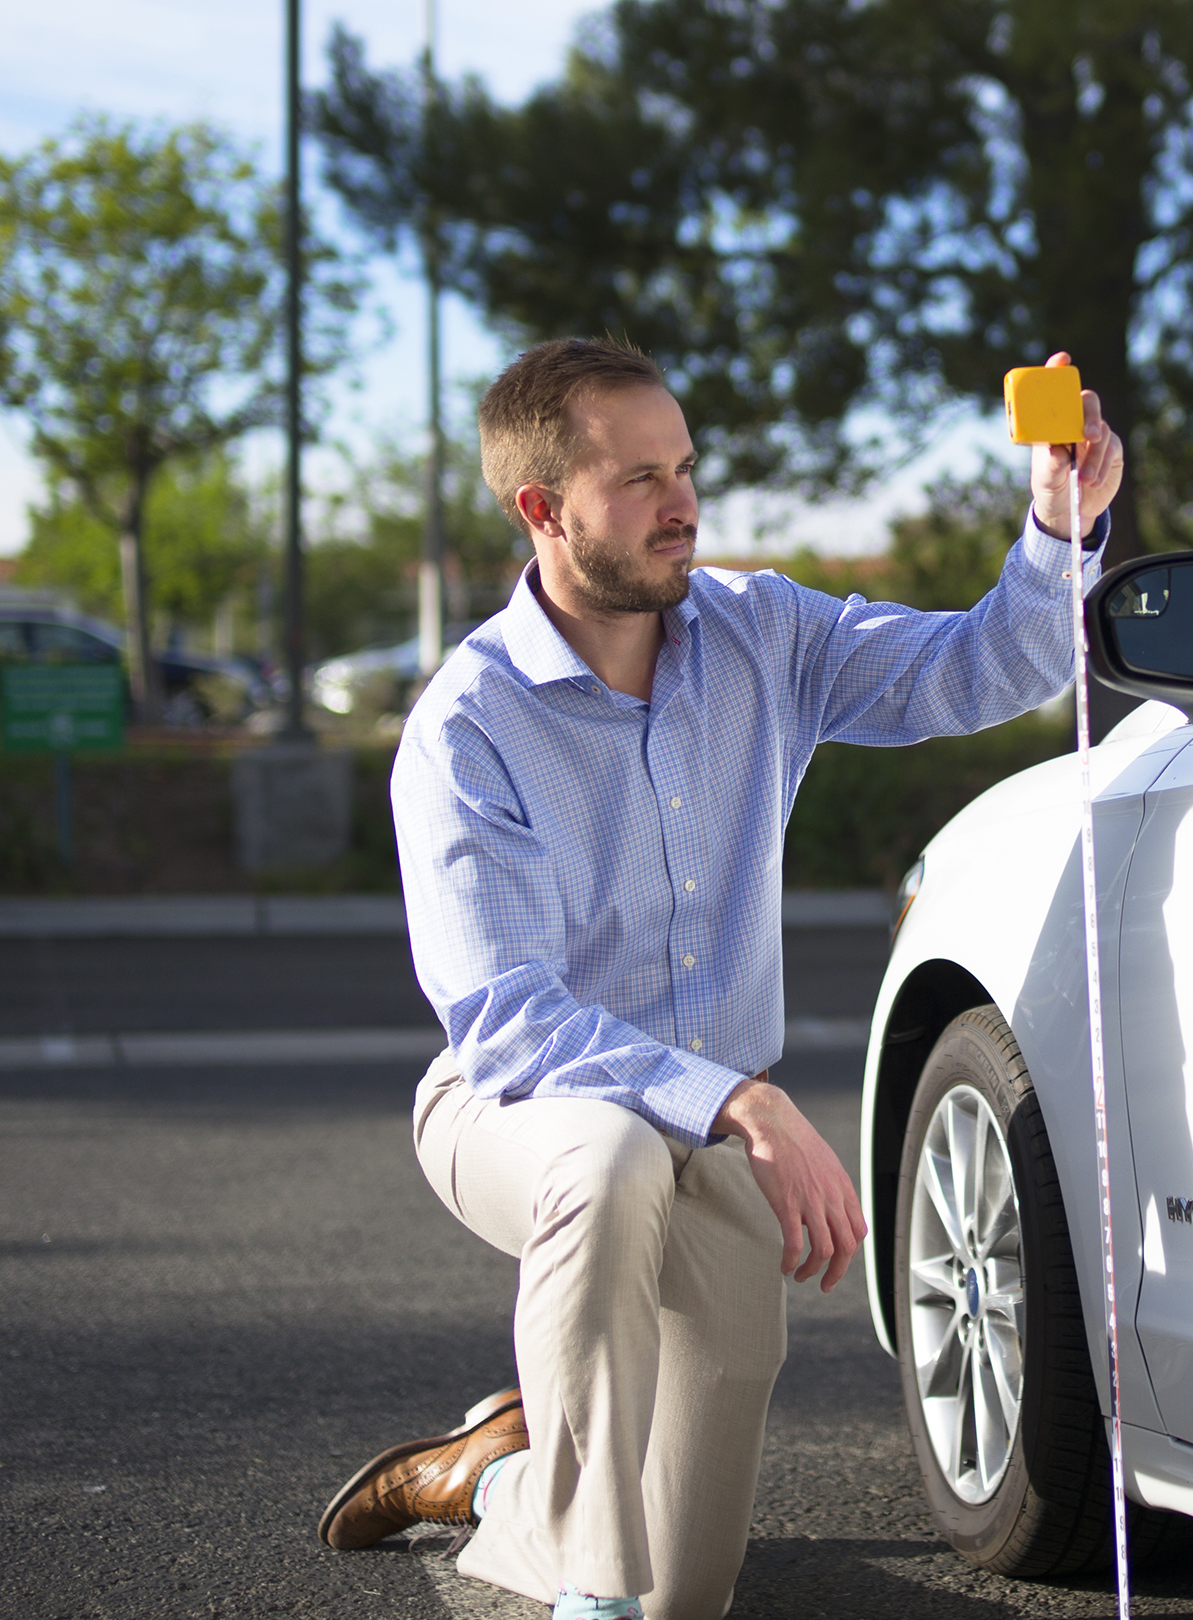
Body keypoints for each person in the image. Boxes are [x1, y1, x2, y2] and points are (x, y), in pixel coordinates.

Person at [319, 336, 1123, 1620]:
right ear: (544, 509)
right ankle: (587, 1584)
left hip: (704, 1133)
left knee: (687, 1588)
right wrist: (743, 1103)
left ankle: (498, 1477)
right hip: (513, 1113)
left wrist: (1054, 526)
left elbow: (986, 668)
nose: (682, 500)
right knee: (610, 1163)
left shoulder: (762, 635)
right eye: (639, 478)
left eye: (684, 465)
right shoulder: (468, 725)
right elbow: (507, 1020)